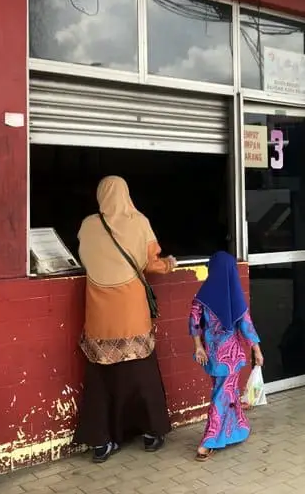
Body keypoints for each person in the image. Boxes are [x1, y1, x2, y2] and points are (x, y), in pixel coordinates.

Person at [74, 176, 177, 463]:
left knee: (100, 378)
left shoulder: (87, 225)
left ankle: (101, 442)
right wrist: (169, 264)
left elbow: (85, 257)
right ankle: (150, 433)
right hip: (132, 313)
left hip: (98, 316)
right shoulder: (139, 222)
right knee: (142, 373)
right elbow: (151, 264)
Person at [188, 251, 263, 461]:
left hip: (212, 356)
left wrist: (198, 347)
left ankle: (238, 429)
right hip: (232, 357)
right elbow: (246, 326)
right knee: (222, 395)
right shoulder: (236, 297)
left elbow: (194, 323)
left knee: (225, 392)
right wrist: (257, 351)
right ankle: (208, 440)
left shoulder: (201, 297)